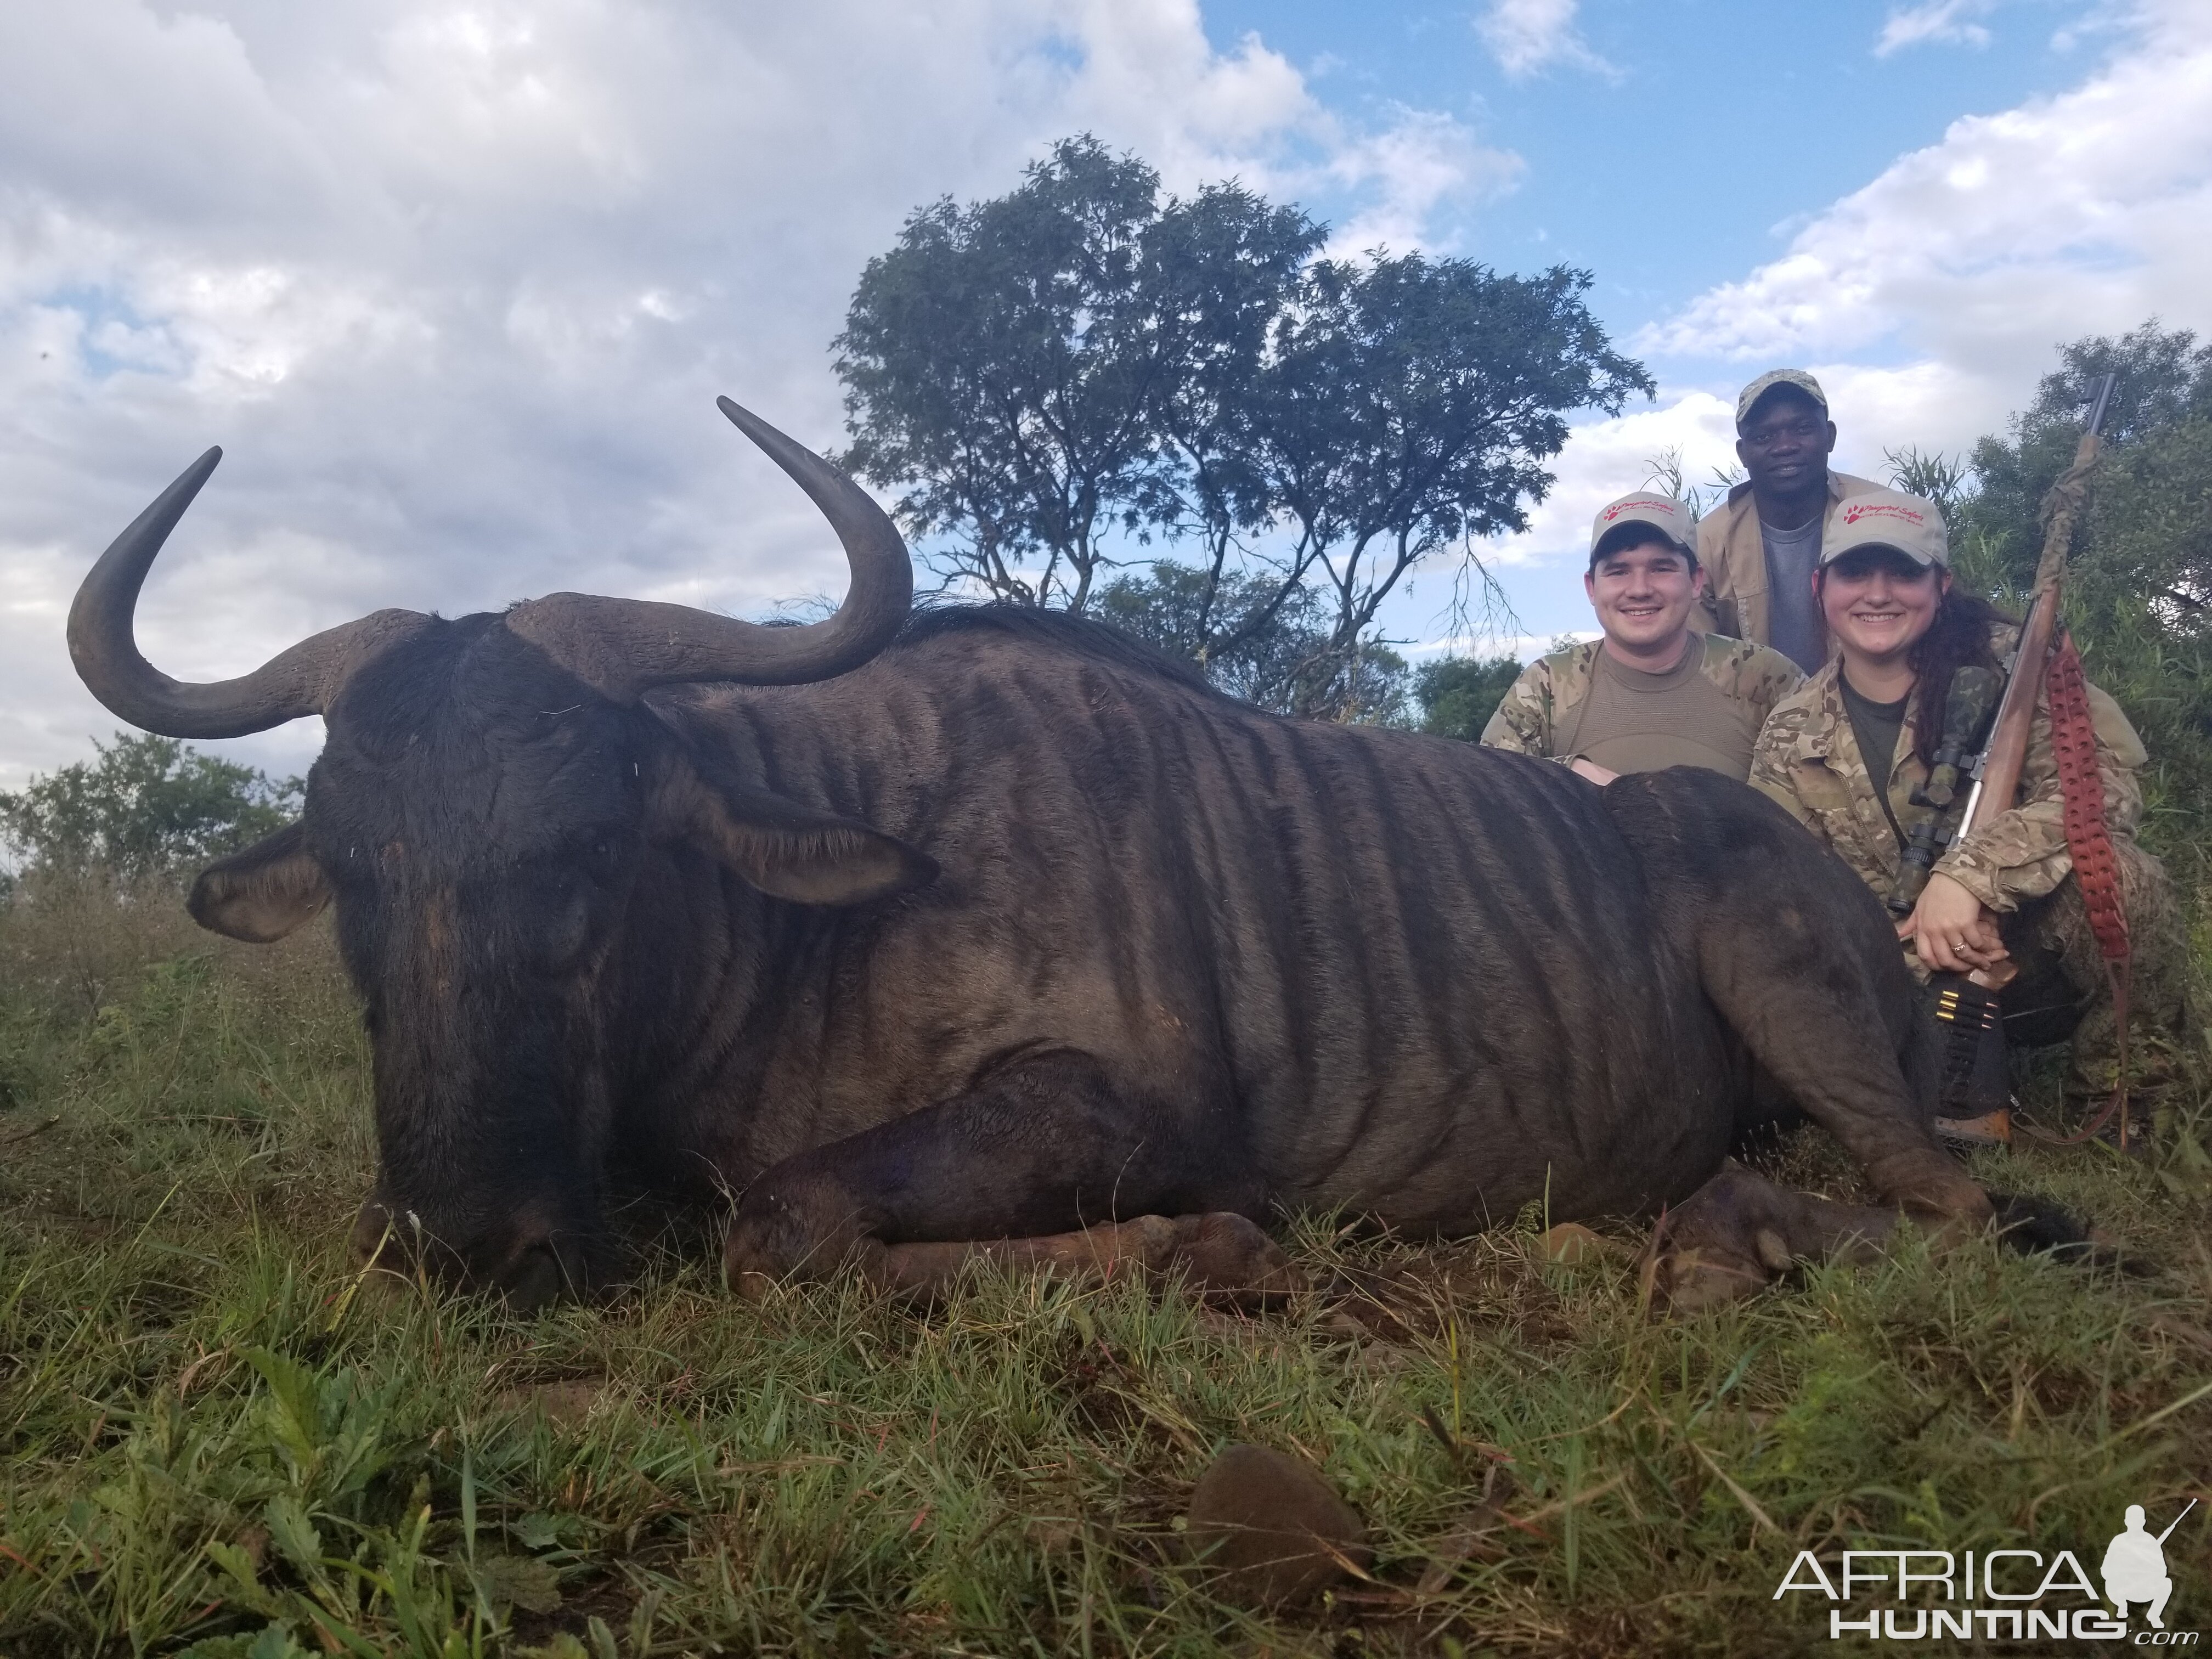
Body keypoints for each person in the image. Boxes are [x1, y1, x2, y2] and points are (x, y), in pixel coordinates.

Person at [1749, 489, 2191, 1111]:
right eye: (1855, 572)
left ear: (1942, 584)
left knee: (2121, 876)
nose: (1878, 593)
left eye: (1904, 572)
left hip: (2023, 958)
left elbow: (2103, 790)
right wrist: (1913, 954)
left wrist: (1971, 878)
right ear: (1821, 585)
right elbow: (1779, 883)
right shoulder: (1791, 727)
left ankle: (2133, 1101)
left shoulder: (2021, 666)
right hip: (1885, 977)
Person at [1482, 491, 1802, 782]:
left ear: (1695, 581)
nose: (1639, 590)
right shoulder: (1547, 684)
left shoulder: (1763, 676)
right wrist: (1570, 774)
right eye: (1619, 571)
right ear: (1592, 588)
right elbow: (1487, 786)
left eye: (1661, 568)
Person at [1698, 369, 1882, 672]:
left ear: (1830, 436)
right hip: (1753, 714)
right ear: (1743, 453)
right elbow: (1697, 662)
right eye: (1764, 436)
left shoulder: (1879, 513)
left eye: (1803, 428)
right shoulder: (1707, 542)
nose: (1785, 447)